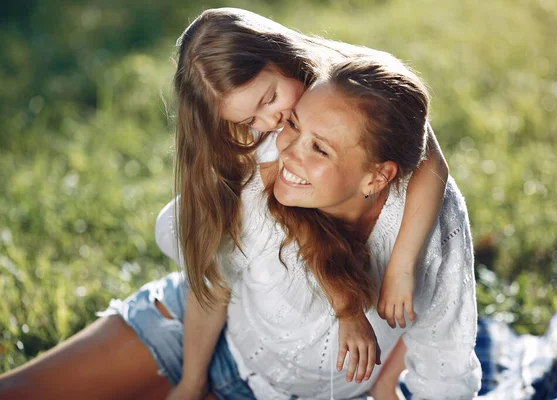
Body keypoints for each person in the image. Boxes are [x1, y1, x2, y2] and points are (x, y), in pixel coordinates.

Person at [0, 53, 480, 400]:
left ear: (379, 175)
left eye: (321, 149)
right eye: (292, 124)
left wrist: (386, 387)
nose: (289, 151)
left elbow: (442, 354)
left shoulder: (428, 230)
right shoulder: (258, 180)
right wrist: (191, 381)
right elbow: (208, 281)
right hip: (192, 334)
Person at [168, 8, 449, 394]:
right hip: (245, 297)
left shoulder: (342, 81)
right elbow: (301, 226)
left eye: (270, 98)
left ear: (284, 57)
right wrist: (346, 308)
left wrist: (403, 263)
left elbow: (430, 159)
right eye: (249, 120)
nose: (271, 121)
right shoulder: (268, 151)